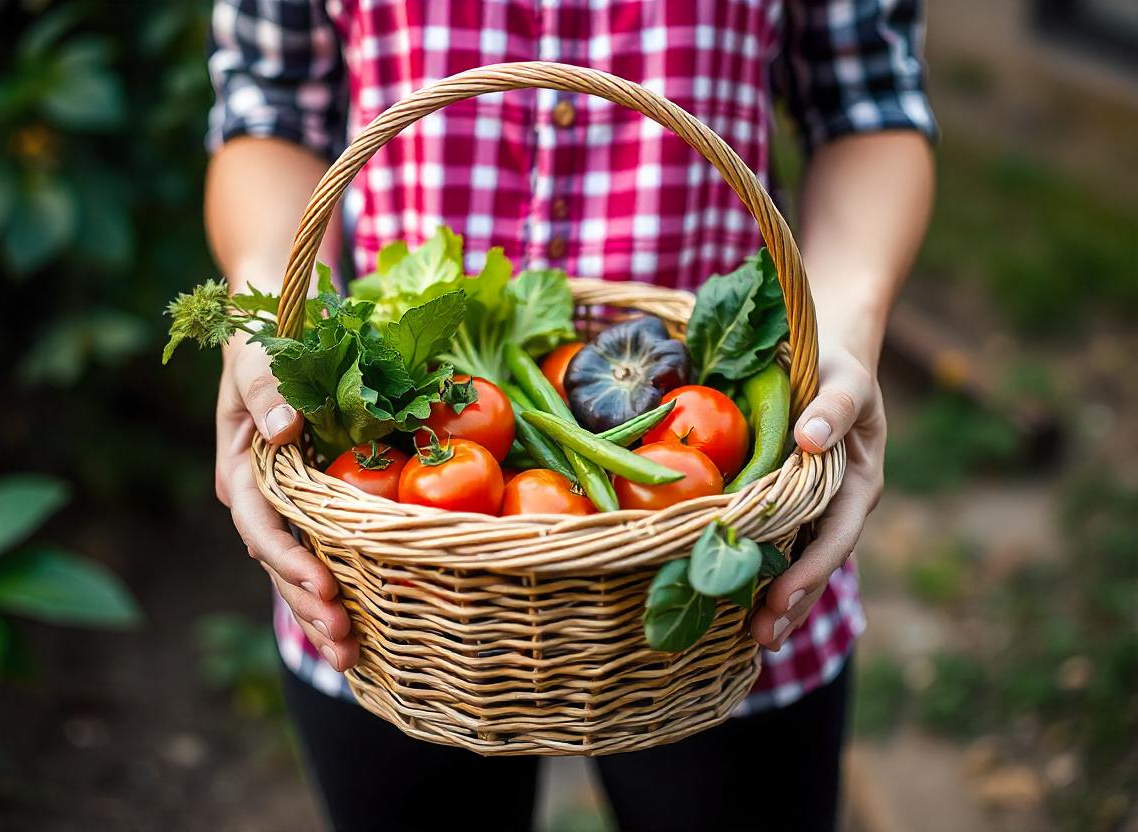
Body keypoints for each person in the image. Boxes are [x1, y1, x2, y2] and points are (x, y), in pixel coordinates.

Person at [204, 2, 935, 830]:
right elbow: (268, 105)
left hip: (724, 556)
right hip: (393, 579)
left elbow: (868, 101)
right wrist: (268, 313)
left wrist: (841, 333)